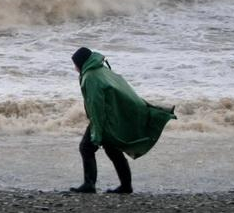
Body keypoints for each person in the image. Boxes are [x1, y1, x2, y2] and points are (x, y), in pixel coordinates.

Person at [68, 47, 175, 194]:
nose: (74, 68)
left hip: (105, 120)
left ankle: (89, 184)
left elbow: (96, 106)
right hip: (113, 118)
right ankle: (126, 186)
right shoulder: (102, 70)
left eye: (75, 65)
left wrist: (98, 133)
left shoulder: (91, 77)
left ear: (81, 63)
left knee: (86, 148)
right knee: (113, 151)